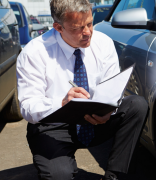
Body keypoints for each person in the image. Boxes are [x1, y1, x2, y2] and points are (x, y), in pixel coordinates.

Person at [16, 0, 149, 179]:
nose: (87, 33)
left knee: (137, 105)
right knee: (60, 175)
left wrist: (110, 109)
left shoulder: (103, 43)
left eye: (89, 23)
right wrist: (62, 103)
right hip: (54, 126)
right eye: (77, 28)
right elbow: (28, 107)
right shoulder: (34, 52)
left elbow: (112, 89)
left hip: (96, 121)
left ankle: (115, 176)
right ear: (58, 27)